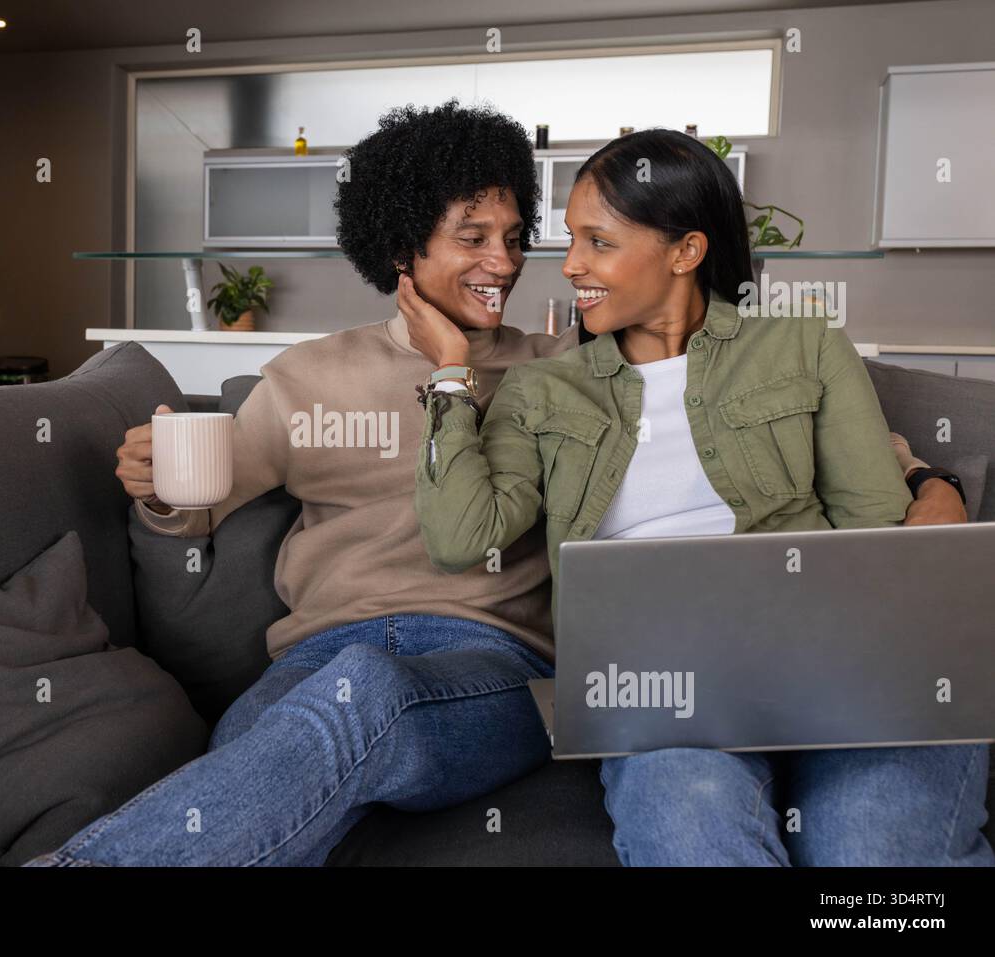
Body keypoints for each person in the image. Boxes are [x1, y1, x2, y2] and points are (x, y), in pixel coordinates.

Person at [25, 104, 966, 867]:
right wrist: (158, 486)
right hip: (319, 660)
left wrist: (930, 479)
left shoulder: (551, 364)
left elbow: (779, 415)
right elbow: (201, 494)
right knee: (272, 783)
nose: (511, 263)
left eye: (518, 236)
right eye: (473, 237)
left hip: (499, 662)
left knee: (361, 700)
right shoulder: (311, 378)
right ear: (402, 245)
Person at [405, 128, 991, 866]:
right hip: (659, 693)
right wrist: (452, 372)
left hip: (836, 663)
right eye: (570, 240)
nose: (571, 265)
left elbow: (871, 525)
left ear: (685, 251)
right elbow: (462, 534)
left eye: (599, 241)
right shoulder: (541, 388)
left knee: (874, 843)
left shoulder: (803, 347)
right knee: (690, 824)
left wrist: (933, 486)